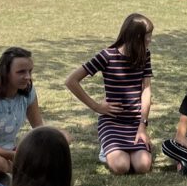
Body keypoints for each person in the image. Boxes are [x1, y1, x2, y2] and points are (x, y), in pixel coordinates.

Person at [66, 12, 155, 175]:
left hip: (135, 124)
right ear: (135, 36)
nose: (150, 40)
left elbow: (146, 90)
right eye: (147, 36)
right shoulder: (107, 56)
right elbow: (71, 81)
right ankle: (107, 148)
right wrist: (96, 106)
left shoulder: (145, 56)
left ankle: (126, 149)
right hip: (112, 123)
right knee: (121, 167)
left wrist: (142, 126)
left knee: (142, 166)